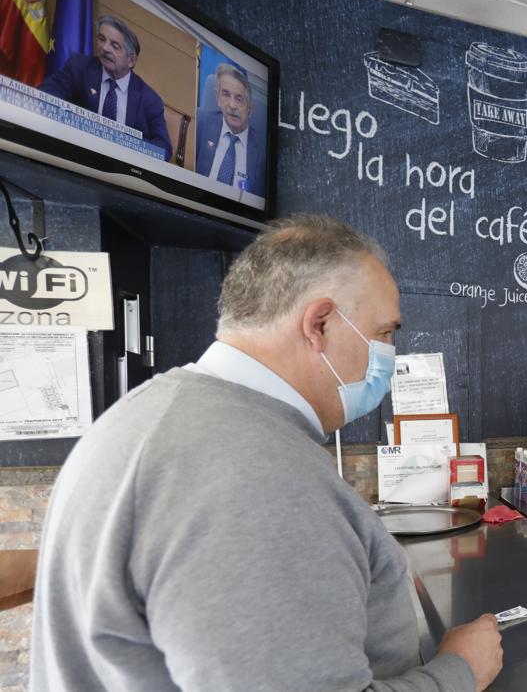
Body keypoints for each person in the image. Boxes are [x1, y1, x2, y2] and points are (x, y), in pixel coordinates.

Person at [30, 215, 502, 691]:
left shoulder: (148, 413)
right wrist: (459, 671)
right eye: (383, 332)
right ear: (319, 323)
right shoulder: (261, 478)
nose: (389, 353)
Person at [38, 14, 172, 160]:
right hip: (74, 156)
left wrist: (122, 142)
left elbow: (163, 150)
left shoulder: (149, 99)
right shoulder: (79, 66)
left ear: (131, 60)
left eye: (115, 46)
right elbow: (46, 94)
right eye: (102, 39)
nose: (105, 48)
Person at [195, 63, 267, 198]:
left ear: (250, 108)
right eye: (225, 95)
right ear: (217, 97)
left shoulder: (262, 152)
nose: (232, 105)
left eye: (239, 99)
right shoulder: (200, 121)